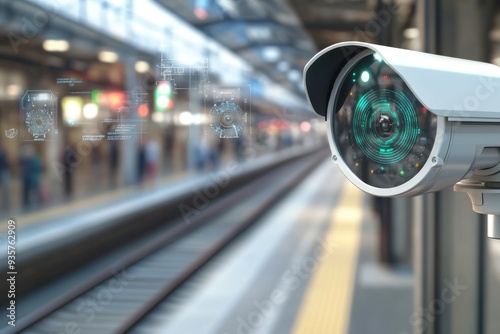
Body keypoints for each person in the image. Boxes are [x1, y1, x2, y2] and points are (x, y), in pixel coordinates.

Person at [0, 143, 10, 210]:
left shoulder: (4, 154)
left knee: (6, 188)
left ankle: (6, 203)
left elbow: (7, 163)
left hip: (4, 172)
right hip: (3, 171)